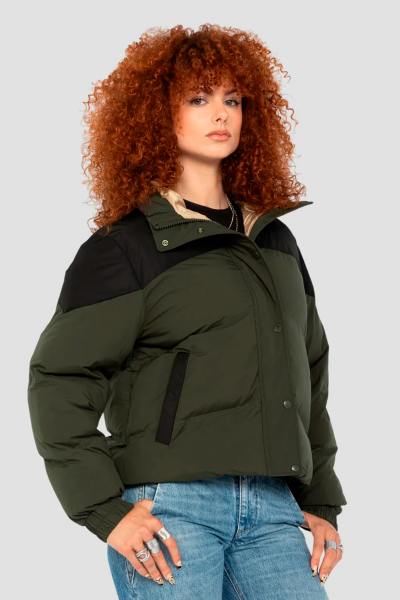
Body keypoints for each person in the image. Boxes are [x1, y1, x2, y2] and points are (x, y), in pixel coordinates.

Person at [27, 23, 347, 599]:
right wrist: (103, 510)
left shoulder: (275, 243)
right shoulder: (127, 248)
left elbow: (309, 374)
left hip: (273, 507)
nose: (220, 114)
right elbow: (60, 379)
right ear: (156, 114)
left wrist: (321, 498)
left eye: (232, 100)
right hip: (170, 510)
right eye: (198, 99)